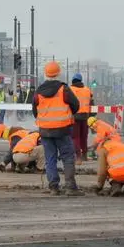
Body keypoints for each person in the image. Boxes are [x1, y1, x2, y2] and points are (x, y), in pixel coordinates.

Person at [32, 61, 83, 196]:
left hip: (45, 130)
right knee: (67, 157)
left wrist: (45, 119)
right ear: (58, 73)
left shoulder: (39, 91)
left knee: (50, 159)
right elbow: (76, 105)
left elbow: (35, 111)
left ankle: (53, 187)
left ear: (45, 74)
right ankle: (70, 187)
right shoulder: (63, 89)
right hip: (63, 129)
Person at [70, 73, 95, 165]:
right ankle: (84, 155)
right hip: (85, 116)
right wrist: (92, 115)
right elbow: (92, 103)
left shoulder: (70, 90)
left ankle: (78, 157)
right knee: (84, 136)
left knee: (75, 137)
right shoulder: (87, 90)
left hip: (74, 116)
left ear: (73, 81)